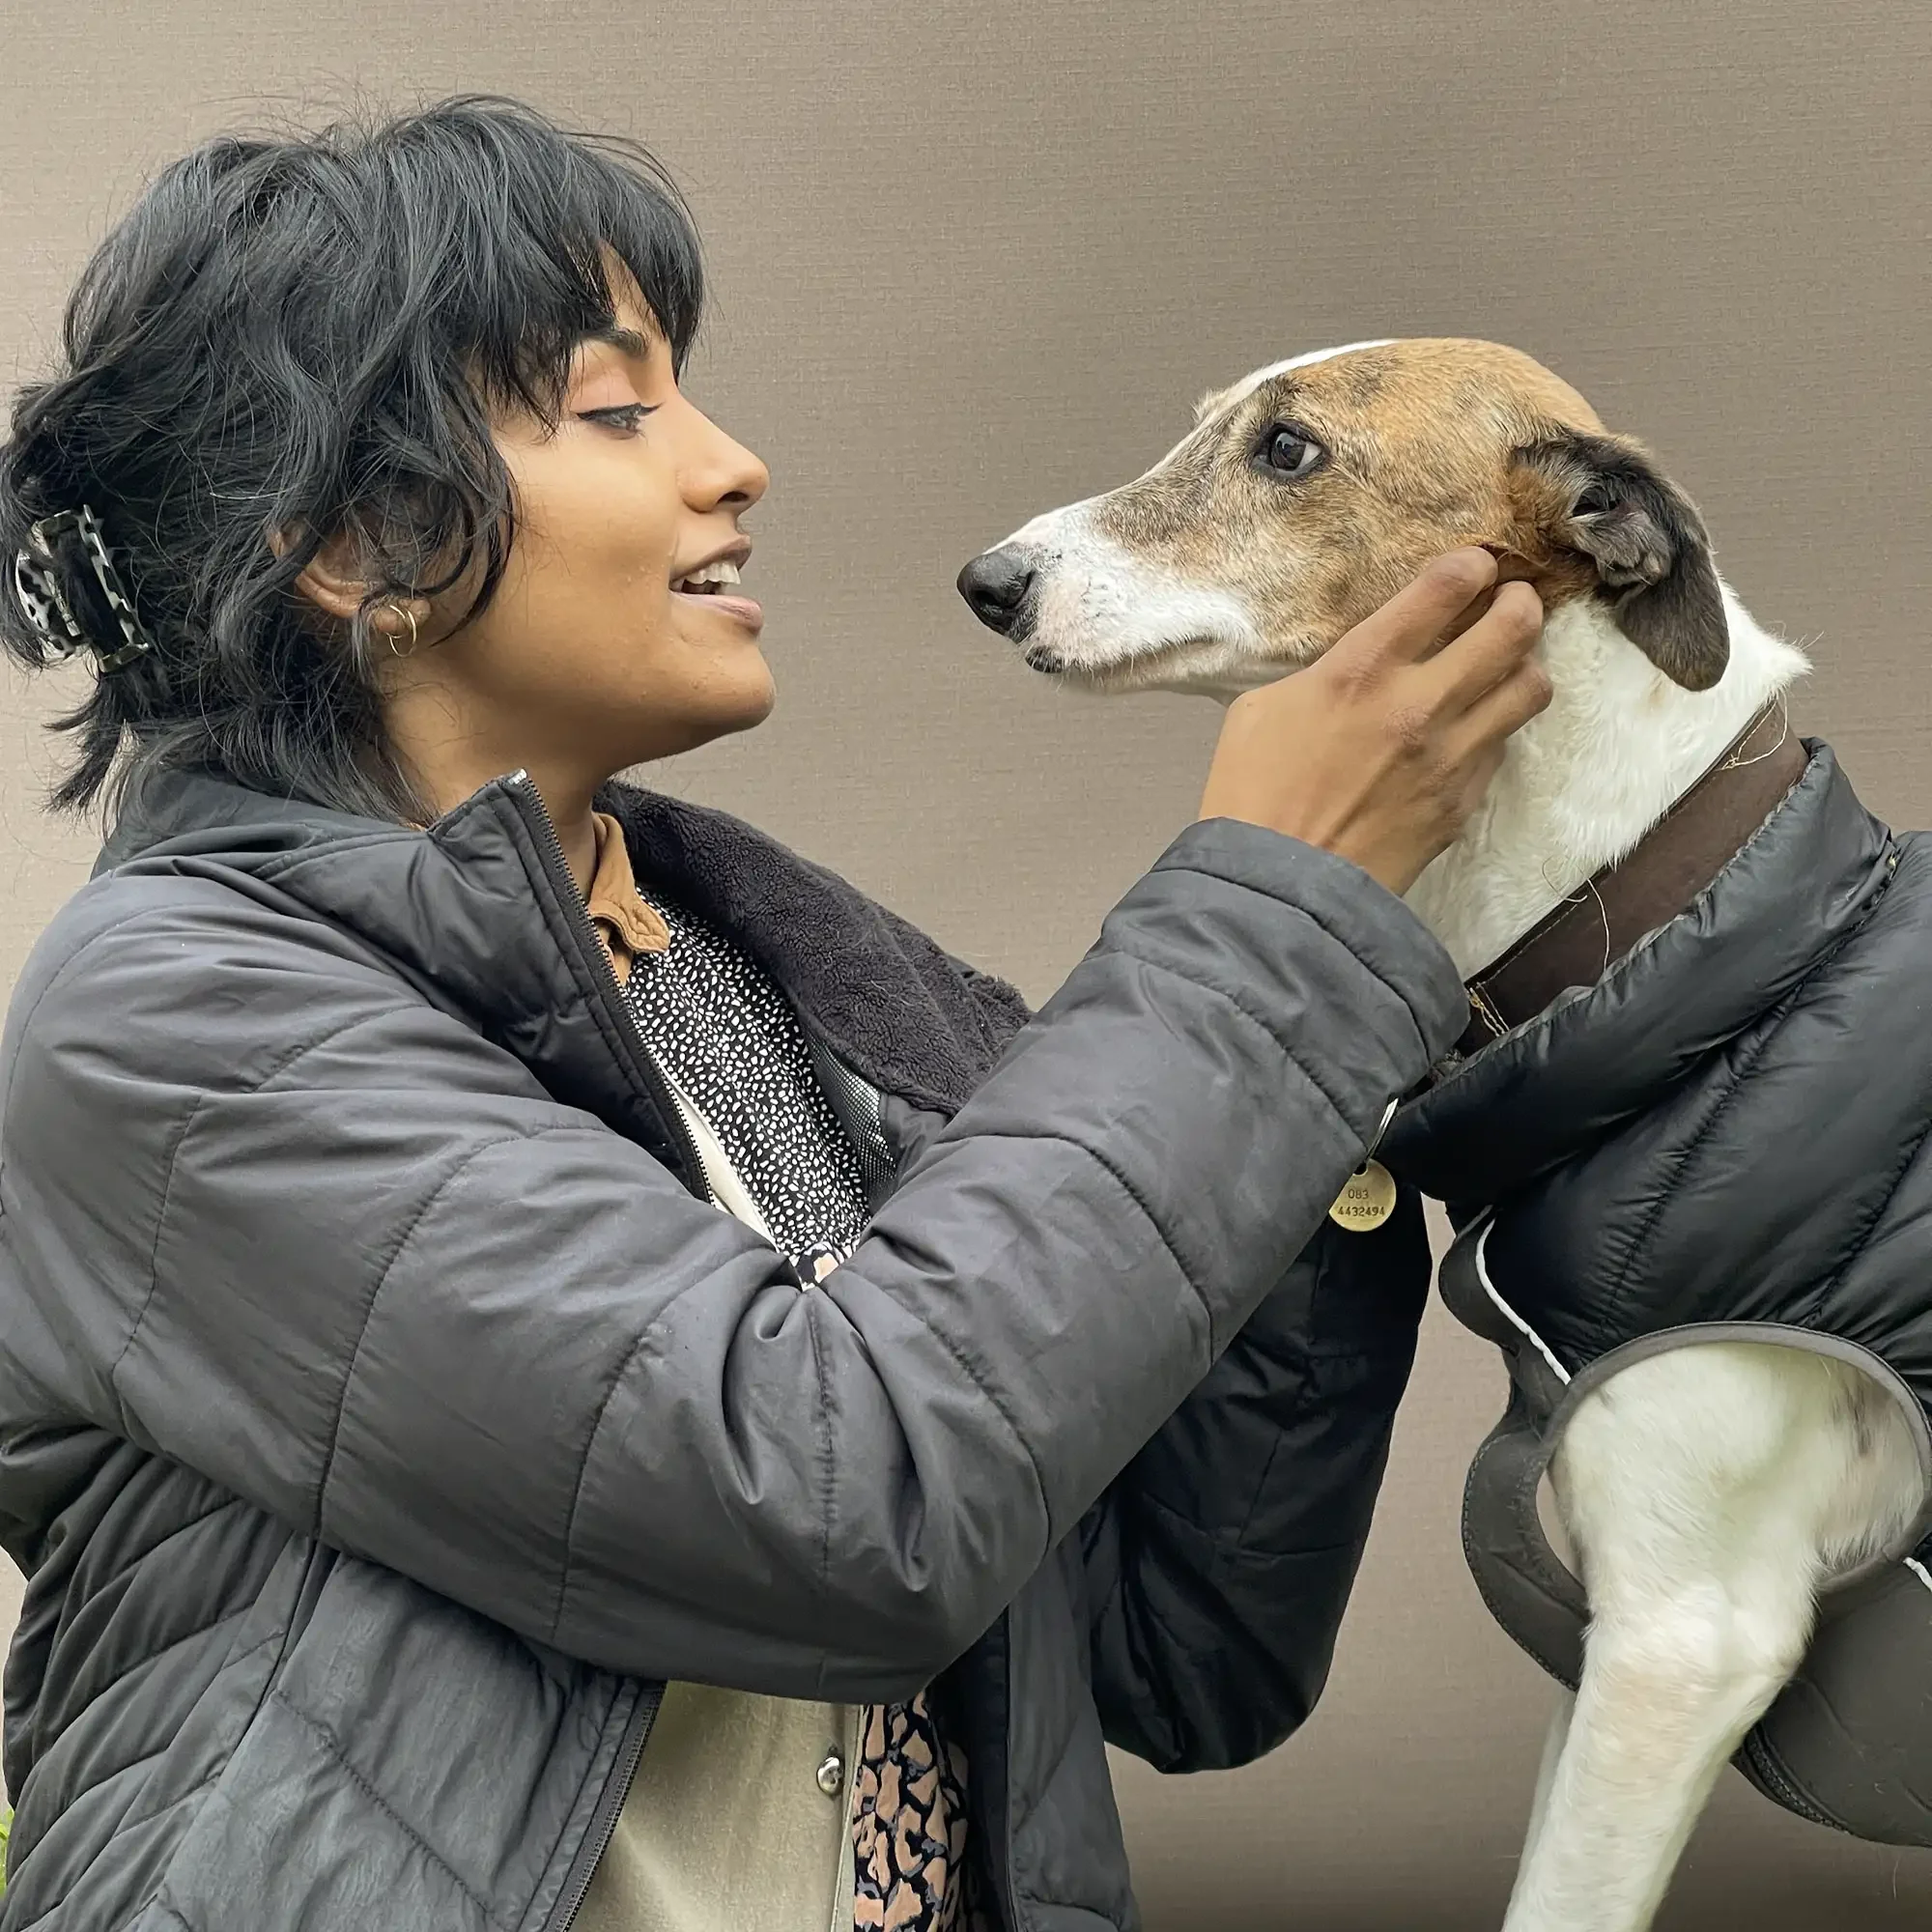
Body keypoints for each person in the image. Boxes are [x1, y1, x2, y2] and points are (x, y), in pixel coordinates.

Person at [0, 96, 1546, 1932]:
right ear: (364, 546)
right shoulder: (181, 1026)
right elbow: (834, 1503)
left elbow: (1173, 1647)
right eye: (619, 407)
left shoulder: (795, 984)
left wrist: (1331, 1127)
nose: (735, 465)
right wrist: (1275, 917)